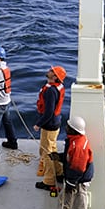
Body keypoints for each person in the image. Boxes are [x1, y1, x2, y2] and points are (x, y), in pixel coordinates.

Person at [49, 116, 94, 209]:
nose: (65, 127)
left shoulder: (78, 145)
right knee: (64, 201)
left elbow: (78, 168)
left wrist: (70, 183)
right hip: (72, 178)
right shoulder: (74, 140)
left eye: (68, 126)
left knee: (78, 207)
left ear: (74, 130)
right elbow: (70, 158)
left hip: (78, 181)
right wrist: (59, 157)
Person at [33, 65, 66, 193]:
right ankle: (59, 172)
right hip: (55, 123)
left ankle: (49, 181)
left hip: (49, 125)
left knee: (46, 153)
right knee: (52, 149)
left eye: (52, 71)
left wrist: (38, 124)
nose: (49, 71)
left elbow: (48, 112)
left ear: (55, 76)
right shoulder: (57, 88)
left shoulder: (51, 91)